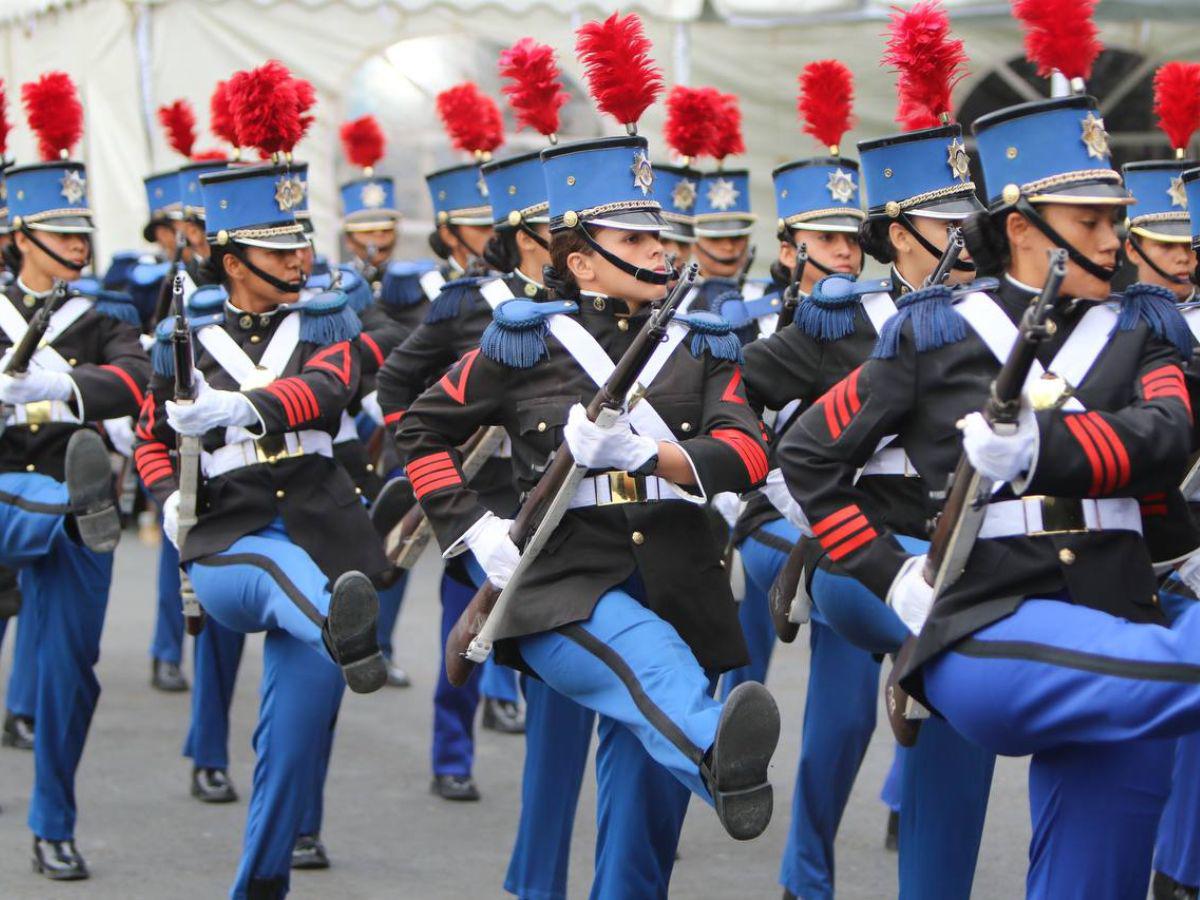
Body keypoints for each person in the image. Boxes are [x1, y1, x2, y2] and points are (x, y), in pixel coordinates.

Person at [782, 87, 1200, 899]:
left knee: (1096, 881)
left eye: (1114, 219)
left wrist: (1047, 445)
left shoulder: (1142, 328)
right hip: (989, 617)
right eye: (1092, 223)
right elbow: (808, 458)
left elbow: (1171, 431)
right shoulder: (935, 334)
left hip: (1121, 609)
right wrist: (889, 576)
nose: (1116, 241)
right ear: (1022, 228)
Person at [393, 37, 783, 883]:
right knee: (652, 670)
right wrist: (473, 534)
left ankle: (708, 758)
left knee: (643, 842)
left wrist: (659, 456)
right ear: (578, 260)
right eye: (632, 237)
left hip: (682, 581)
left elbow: (749, 450)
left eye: (657, 234)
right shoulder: (521, 346)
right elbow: (418, 431)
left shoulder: (705, 343)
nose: (657, 250)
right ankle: (721, 750)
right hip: (563, 586)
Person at [134, 156, 389, 900]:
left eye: (301, 244)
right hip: (229, 538)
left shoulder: (327, 317)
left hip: (324, 533)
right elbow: (154, 438)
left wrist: (239, 409)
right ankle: (343, 626)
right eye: (281, 251)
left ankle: (260, 882)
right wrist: (166, 498)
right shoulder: (182, 336)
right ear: (234, 259)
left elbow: (333, 384)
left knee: (291, 738)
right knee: (288, 578)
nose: (301, 259)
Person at [0, 72, 150, 880]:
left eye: (82, 231)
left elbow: (132, 382)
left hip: (70, 496)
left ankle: (52, 816)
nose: (80, 248)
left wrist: (61, 386)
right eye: (61, 232)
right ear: (19, 233)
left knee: (69, 674)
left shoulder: (103, 316)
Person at [1121, 84, 1200, 900]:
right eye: (1164, 245)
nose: (1183, 259)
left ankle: (1179, 874)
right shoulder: (1109, 333)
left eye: (1190, 247)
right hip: (1120, 548)